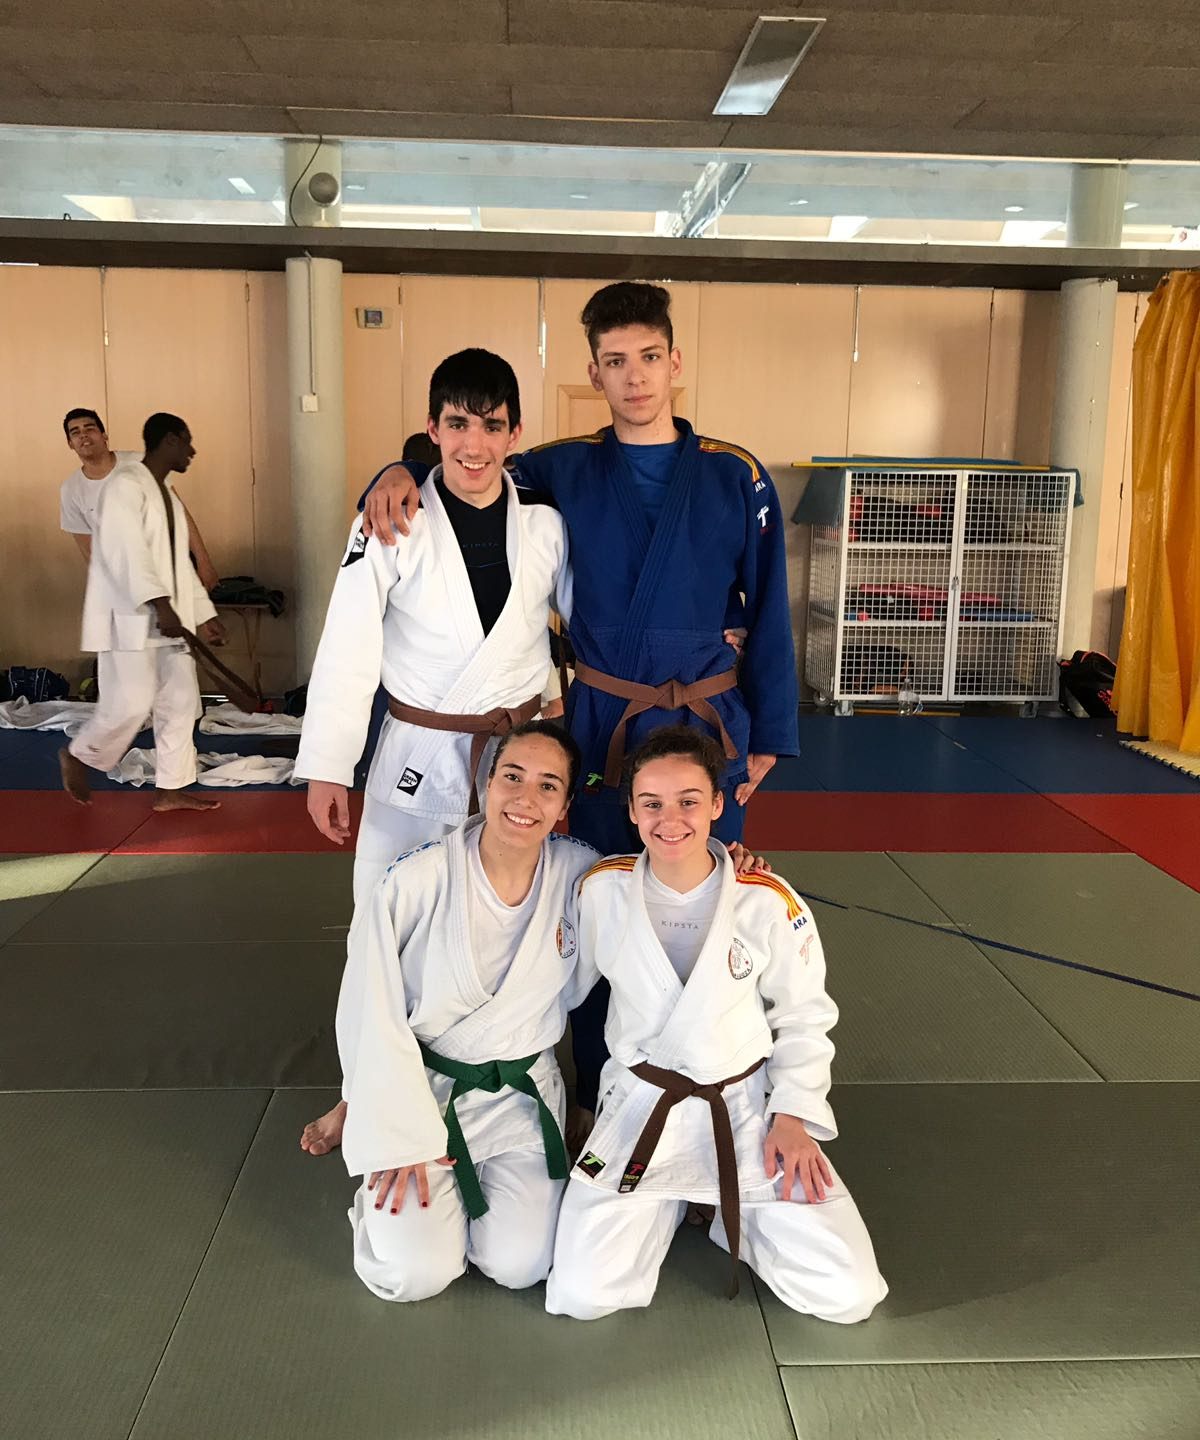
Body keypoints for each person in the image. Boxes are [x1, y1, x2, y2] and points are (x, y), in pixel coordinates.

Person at [360, 282, 800, 1118]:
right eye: (613, 362)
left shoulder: (734, 475)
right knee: (601, 901)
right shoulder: (561, 467)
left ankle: (714, 1090)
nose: (633, 378)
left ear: (675, 362)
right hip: (603, 726)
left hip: (708, 724)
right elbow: (465, 469)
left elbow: (769, 602)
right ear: (593, 373)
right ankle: (603, 1090)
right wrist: (398, 468)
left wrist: (771, 730)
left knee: (707, 905)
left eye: (647, 358)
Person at [295, 348, 571, 1157]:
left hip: (516, 762)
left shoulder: (546, 527)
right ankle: (359, 1091)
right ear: (432, 429)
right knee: (380, 928)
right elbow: (348, 644)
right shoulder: (393, 518)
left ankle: (509, 1070)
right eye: (457, 424)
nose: (474, 445)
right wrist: (327, 766)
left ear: (516, 432)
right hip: (415, 755)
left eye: (491, 426)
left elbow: (562, 640)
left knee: (508, 926)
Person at [544, 726, 886, 1322]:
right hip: (640, 1106)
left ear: (718, 806)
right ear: (629, 809)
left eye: (688, 802)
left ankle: (729, 1211)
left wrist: (794, 1116)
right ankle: (674, 1200)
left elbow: (805, 1015)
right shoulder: (600, 891)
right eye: (650, 803)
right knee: (582, 1292)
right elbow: (553, 992)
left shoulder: (766, 899)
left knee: (849, 1292)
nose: (668, 819)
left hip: (744, 1108)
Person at [342, 722, 598, 1301]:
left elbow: (667, 899)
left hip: (522, 1095)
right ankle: (385, 1199)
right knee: (412, 1276)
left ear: (565, 804)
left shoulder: (583, 875)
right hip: (424, 1092)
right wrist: (394, 1134)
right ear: (484, 783)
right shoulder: (415, 879)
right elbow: (368, 1007)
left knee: (522, 1264)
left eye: (548, 786)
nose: (526, 799)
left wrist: (731, 866)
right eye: (512, 777)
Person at [58, 413, 227, 813]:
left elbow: (175, 560)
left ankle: (171, 788)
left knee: (182, 700)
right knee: (131, 702)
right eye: (186, 441)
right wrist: (161, 604)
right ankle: (80, 755)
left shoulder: (161, 489)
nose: (192, 450)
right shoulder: (122, 488)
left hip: (167, 615)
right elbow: (124, 554)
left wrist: (202, 613)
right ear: (168, 442)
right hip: (130, 613)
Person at [60, 408, 218, 589]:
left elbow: (178, 513)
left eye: (89, 428)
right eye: (76, 432)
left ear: (104, 435)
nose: (84, 435)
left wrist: (204, 562)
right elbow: (89, 550)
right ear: (70, 443)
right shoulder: (70, 489)